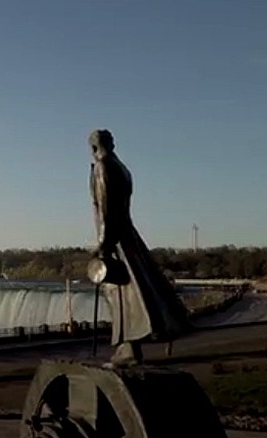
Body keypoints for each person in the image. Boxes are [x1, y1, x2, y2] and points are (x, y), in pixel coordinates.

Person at [89, 129, 191, 366]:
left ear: (94, 147)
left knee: (122, 294)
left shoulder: (102, 167)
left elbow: (105, 209)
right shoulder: (122, 168)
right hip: (128, 234)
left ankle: (129, 349)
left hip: (115, 239)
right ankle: (131, 345)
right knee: (138, 292)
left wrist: (103, 244)